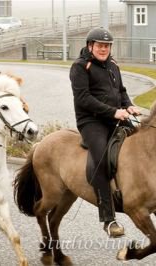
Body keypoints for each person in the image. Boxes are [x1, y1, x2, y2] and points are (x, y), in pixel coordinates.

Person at [70, 27, 140, 238]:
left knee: (143, 147)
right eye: (100, 45)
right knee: (101, 159)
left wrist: (129, 106)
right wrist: (113, 112)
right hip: (91, 122)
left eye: (107, 46)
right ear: (90, 46)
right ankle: (108, 219)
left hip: (117, 117)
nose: (103, 49)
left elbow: (121, 91)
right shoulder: (80, 67)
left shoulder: (113, 64)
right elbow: (84, 98)